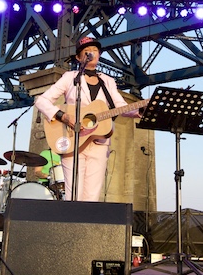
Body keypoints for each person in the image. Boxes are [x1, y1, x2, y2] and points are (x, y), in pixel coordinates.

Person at [35, 36, 140, 202]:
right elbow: (41, 100)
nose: (92, 53)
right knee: (73, 194)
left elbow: (120, 106)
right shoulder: (70, 77)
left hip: (99, 143)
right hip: (72, 139)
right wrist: (63, 116)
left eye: (95, 51)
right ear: (79, 57)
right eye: (87, 51)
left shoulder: (108, 81)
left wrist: (140, 109)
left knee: (92, 196)